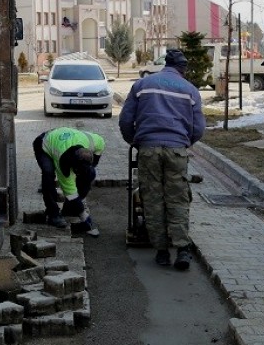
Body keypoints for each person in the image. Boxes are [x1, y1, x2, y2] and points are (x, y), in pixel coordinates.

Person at [118, 48, 206, 270]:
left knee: (153, 199)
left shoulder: (142, 85)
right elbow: (199, 128)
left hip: (148, 149)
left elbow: (126, 119)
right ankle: (183, 249)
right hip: (177, 150)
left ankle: (162, 251)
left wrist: (135, 141)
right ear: (183, 69)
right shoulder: (190, 90)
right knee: (178, 198)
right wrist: (185, 143)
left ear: (165, 64)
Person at [32, 127, 104, 236]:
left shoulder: (93, 141)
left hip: (63, 138)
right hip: (44, 143)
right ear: (73, 164)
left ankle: (69, 209)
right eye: (76, 170)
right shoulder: (63, 163)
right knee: (48, 173)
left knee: (90, 174)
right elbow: (70, 192)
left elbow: (101, 144)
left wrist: (93, 165)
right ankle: (53, 214)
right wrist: (83, 215)